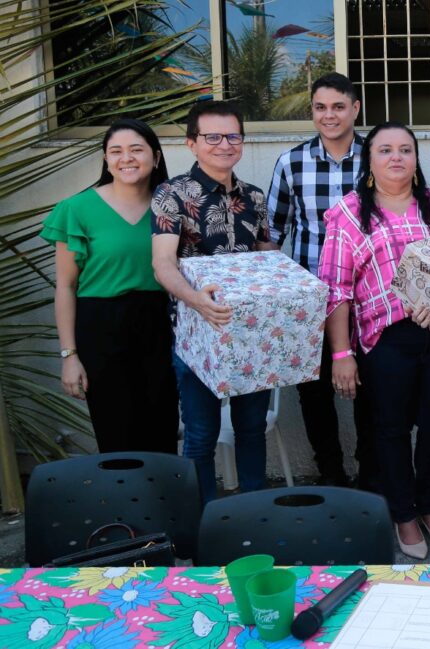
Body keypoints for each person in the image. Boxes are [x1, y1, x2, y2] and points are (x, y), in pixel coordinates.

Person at [319, 121, 430, 561]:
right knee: (390, 430)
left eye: (405, 149)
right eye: (385, 150)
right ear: (370, 161)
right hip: (384, 340)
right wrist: (342, 353)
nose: (396, 157)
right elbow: (336, 289)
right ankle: (403, 513)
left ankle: (428, 503)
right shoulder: (349, 213)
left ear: (416, 159)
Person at [151, 101, 279, 504]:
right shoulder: (171, 194)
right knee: (201, 433)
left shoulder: (254, 197)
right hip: (196, 333)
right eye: (212, 137)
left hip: (250, 333)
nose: (224, 144)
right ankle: (205, 520)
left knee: (251, 429)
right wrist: (197, 301)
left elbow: (268, 256)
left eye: (233, 135)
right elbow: (162, 264)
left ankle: (254, 513)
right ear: (192, 143)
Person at [41, 118, 178, 452]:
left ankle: (164, 489)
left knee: (163, 431)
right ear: (106, 159)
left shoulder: (171, 209)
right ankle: (121, 489)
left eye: (136, 150)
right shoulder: (77, 209)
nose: (126, 158)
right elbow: (65, 287)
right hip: (100, 329)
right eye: (115, 151)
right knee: (116, 435)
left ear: (156, 157)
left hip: (161, 328)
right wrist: (69, 355)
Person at [268, 72, 377, 489]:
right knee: (313, 394)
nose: (329, 116)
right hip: (311, 302)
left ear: (355, 109)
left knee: (372, 390)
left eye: (338, 107)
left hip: (368, 299)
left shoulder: (377, 157)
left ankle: (370, 476)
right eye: (320, 107)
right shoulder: (291, 163)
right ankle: (331, 476)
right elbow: (271, 235)